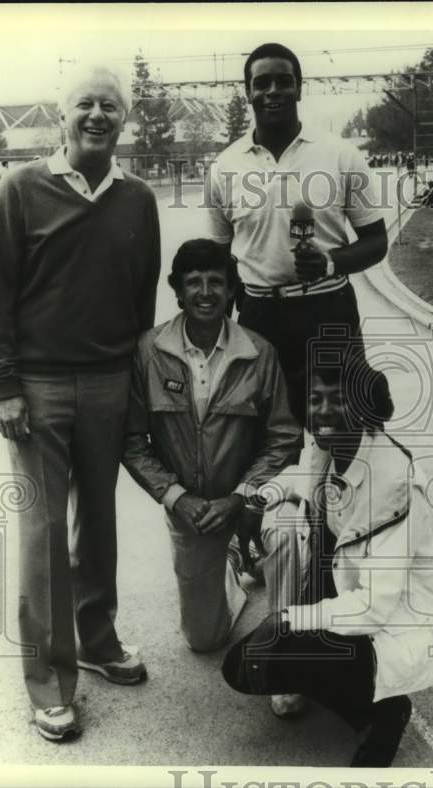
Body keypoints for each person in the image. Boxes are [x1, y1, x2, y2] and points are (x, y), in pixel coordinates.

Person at [0, 63, 161, 742]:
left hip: (110, 381)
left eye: (110, 106)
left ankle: (99, 641)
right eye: (85, 104)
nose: (97, 115)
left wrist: (139, 384)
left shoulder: (137, 199)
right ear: (63, 116)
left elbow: (142, 302)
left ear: (123, 120)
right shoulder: (21, 189)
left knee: (100, 524)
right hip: (40, 387)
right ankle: (50, 682)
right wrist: (4, 385)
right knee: (44, 535)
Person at [222, 344, 433, 767]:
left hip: (385, 621)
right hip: (347, 600)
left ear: (364, 407)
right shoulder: (331, 449)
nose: (324, 410)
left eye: (338, 398)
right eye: (315, 399)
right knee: (246, 666)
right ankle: (351, 689)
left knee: (276, 646)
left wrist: (290, 619)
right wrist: (265, 494)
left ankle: (384, 710)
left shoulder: (393, 485)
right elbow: (304, 479)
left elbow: (373, 607)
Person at [122, 238, 300, 654]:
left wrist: (242, 496)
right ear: (177, 289)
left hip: (255, 502)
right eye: (194, 282)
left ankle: (287, 653)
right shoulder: (148, 352)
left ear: (232, 289)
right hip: (194, 514)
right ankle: (233, 560)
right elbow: (132, 442)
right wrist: (177, 498)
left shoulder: (259, 353)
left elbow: (285, 437)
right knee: (203, 639)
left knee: (291, 534)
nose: (206, 292)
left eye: (216, 282)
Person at [208, 42, 388, 425]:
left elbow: (377, 242)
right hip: (259, 315)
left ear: (299, 89)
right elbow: (219, 263)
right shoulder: (224, 167)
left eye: (283, 82)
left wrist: (329, 261)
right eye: (262, 83)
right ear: (248, 93)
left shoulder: (340, 155)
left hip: (328, 309)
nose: (273, 91)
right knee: (266, 438)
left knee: (342, 429)